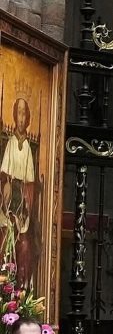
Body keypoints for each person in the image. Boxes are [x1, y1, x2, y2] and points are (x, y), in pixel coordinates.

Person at [0, 98, 37, 283]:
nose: (21, 118)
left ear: (28, 118)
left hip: (22, 198)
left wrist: (25, 203)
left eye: (24, 114)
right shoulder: (11, 143)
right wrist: (6, 182)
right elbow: (4, 172)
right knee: (6, 236)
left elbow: (31, 182)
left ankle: (21, 284)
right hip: (9, 199)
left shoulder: (29, 148)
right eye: (18, 113)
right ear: (14, 116)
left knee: (24, 244)